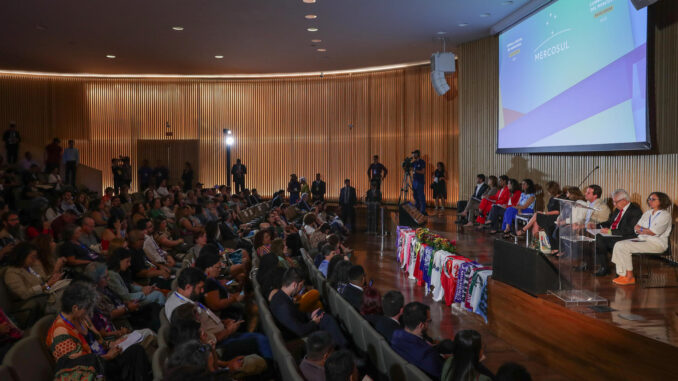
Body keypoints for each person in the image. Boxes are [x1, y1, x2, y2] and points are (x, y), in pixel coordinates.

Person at [46, 282, 152, 381]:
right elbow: (80, 367)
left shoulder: (81, 317)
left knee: (137, 350)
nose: (88, 312)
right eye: (86, 308)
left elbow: (99, 341)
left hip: (104, 359)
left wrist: (112, 344)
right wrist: (108, 357)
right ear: (75, 308)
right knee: (136, 357)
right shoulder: (61, 334)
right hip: (96, 371)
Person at [165, 268, 272, 360]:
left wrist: (222, 322)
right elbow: (202, 341)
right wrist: (228, 331)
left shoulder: (188, 299)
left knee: (258, 335)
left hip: (222, 333)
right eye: (200, 288)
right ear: (188, 287)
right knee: (260, 340)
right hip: (216, 348)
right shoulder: (182, 311)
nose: (202, 291)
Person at [269, 267, 347, 347]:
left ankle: (342, 346)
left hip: (299, 324)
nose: (301, 289)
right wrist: (314, 322)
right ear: (294, 285)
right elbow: (300, 331)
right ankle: (344, 349)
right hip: (297, 337)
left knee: (322, 315)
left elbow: (295, 315)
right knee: (328, 321)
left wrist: (310, 315)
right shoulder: (282, 306)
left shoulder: (279, 296)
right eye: (301, 285)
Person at [611, 192, 672, 286]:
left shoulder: (665, 215)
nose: (650, 201)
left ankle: (630, 276)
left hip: (656, 244)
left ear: (662, 201)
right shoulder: (647, 213)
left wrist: (642, 229)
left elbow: (654, 232)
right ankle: (622, 274)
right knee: (618, 244)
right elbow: (636, 227)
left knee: (624, 246)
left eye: (653, 199)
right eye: (649, 199)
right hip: (643, 239)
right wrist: (644, 230)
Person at [4, 242, 67, 322]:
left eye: (35, 257)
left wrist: (52, 279)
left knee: (66, 289)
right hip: (31, 302)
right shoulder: (12, 273)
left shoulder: (29, 267)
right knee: (63, 297)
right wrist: (46, 285)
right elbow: (23, 294)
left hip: (43, 295)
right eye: (32, 257)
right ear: (22, 256)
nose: (34, 260)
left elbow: (42, 281)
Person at [593, 189, 643, 276]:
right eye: (613, 202)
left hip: (628, 236)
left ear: (624, 200)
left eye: (616, 202)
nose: (614, 204)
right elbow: (609, 223)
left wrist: (610, 232)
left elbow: (630, 230)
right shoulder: (617, 209)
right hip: (615, 234)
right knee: (596, 237)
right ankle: (606, 267)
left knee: (600, 239)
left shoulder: (635, 211)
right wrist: (596, 225)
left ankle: (608, 268)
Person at [391, 302, 444, 379]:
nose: (429, 324)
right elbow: (442, 375)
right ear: (421, 325)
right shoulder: (427, 355)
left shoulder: (395, 336)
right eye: (429, 321)